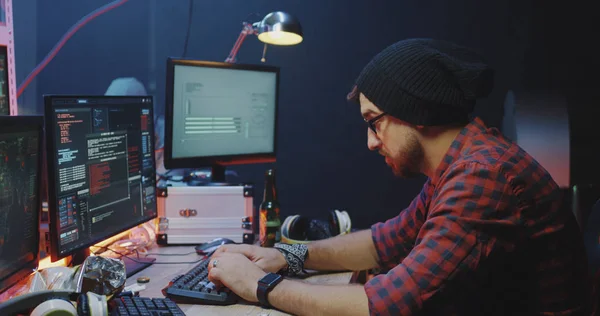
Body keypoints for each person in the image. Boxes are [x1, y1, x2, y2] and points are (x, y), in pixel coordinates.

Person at [206, 38, 589, 315]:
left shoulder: (483, 176)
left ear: (415, 110)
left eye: (374, 122)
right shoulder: (461, 165)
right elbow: (384, 242)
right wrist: (283, 256)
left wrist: (257, 285)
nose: (370, 143)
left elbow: (388, 303)